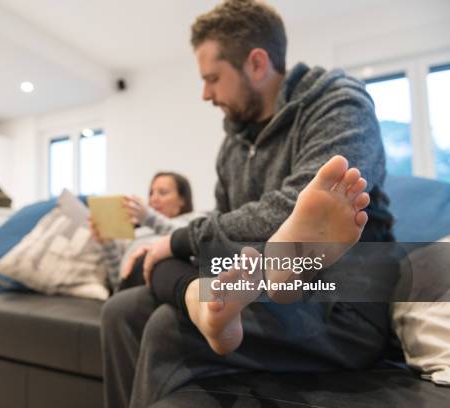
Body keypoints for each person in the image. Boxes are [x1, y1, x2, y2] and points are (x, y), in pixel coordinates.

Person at [101, 1, 395, 407]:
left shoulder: (337, 104)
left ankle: (278, 264)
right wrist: (178, 254)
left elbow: (302, 204)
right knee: (122, 310)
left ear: (257, 63)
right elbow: (221, 239)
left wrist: (180, 240)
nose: (205, 93)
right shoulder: (232, 146)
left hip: (342, 302)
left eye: (212, 78)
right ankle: (255, 274)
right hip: (258, 287)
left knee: (169, 326)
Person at [90, 171, 202, 292]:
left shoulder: (194, 221)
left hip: (165, 276)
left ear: (182, 200)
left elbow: (186, 239)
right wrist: (107, 244)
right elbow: (118, 282)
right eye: (151, 193)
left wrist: (148, 217)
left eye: (162, 193)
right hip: (132, 285)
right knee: (114, 306)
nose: (154, 198)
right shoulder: (137, 232)